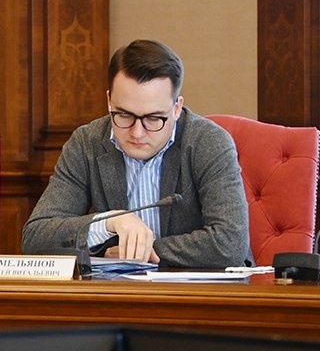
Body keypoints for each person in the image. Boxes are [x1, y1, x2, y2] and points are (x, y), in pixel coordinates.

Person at [22, 38, 251, 267]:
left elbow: (230, 243)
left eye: (153, 118)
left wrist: (142, 251)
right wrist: (108, 222)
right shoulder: (87, 143)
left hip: (197, 286)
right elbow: (35, 237)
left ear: (176, 108)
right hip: (117, 287)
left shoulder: (209, 142)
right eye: (124, 115)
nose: (137, 133)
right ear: (109, 101)